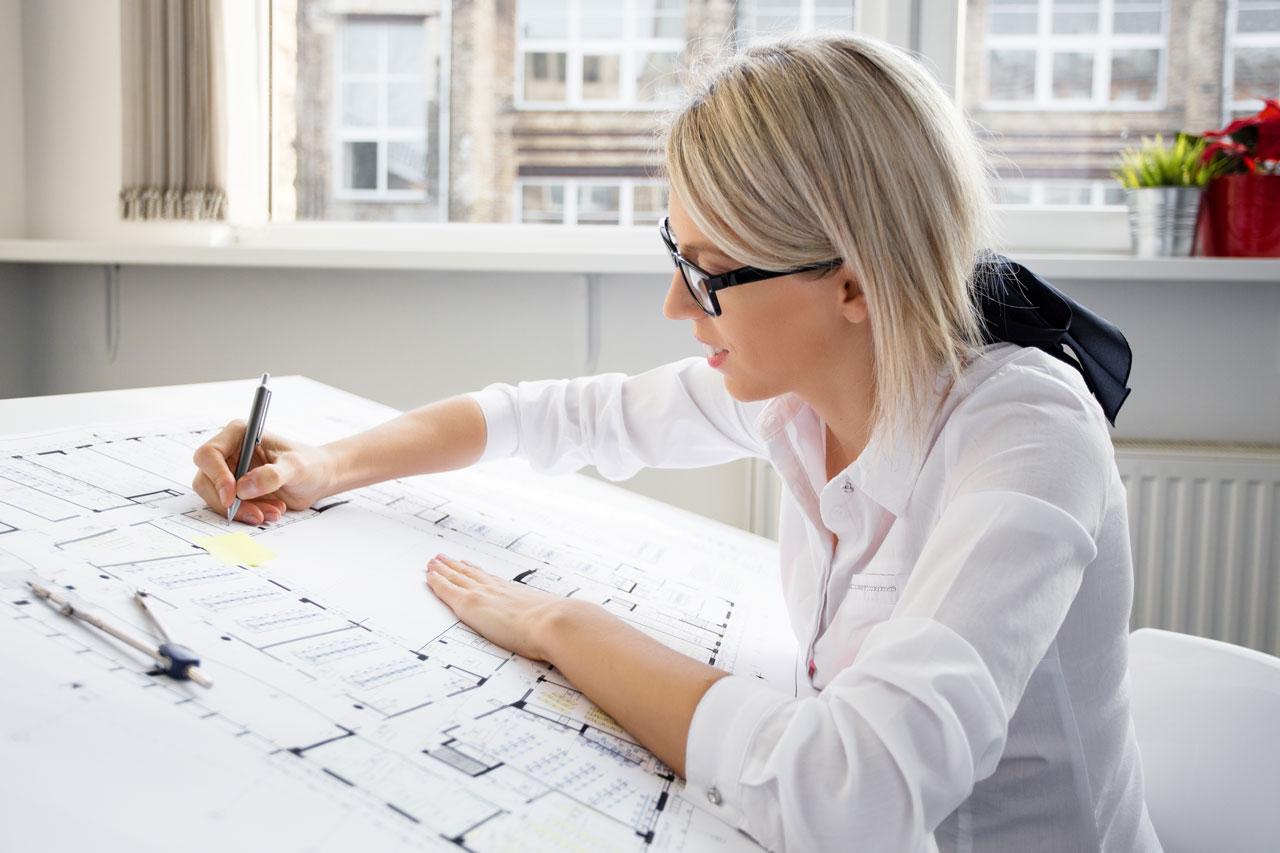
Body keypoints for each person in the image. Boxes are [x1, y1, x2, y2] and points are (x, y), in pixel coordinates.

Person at [192, 33, 1159, 853]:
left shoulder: (1028, 437)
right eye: (675, 256)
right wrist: (325, 463)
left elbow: (848, 791)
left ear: (854, 284)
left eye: (706, 274)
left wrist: (563, 627)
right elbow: (556, 415)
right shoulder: (803, 388)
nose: (673, 304)